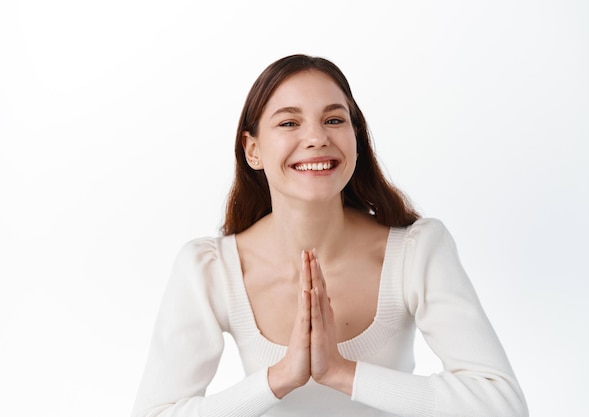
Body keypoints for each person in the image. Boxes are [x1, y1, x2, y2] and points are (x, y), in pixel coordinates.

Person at [131, 54, 528, 417]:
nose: (317, 137)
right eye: (289, 122)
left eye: (334, 120)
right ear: (253, 150)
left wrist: (343, 373)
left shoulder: (415, 250)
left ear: (356, 137)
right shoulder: (210, 269)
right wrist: (279, 378)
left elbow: (502, 404)